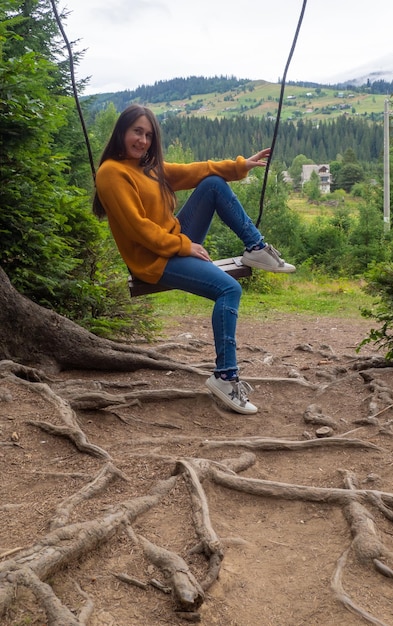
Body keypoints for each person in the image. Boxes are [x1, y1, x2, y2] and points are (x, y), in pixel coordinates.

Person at [93, 104, 295, 415]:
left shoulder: (149, 167)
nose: (142, 140)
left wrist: (241, 165)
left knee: (213, 183)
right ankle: (225, 377)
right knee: (229, 289)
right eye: (137, 132)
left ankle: (256, 247)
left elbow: (194, 170)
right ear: (121, 131)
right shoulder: (111, 173)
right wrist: (183, 246)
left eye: (148, 135)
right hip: (153, 260)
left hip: (172, 242)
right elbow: (138, 228)